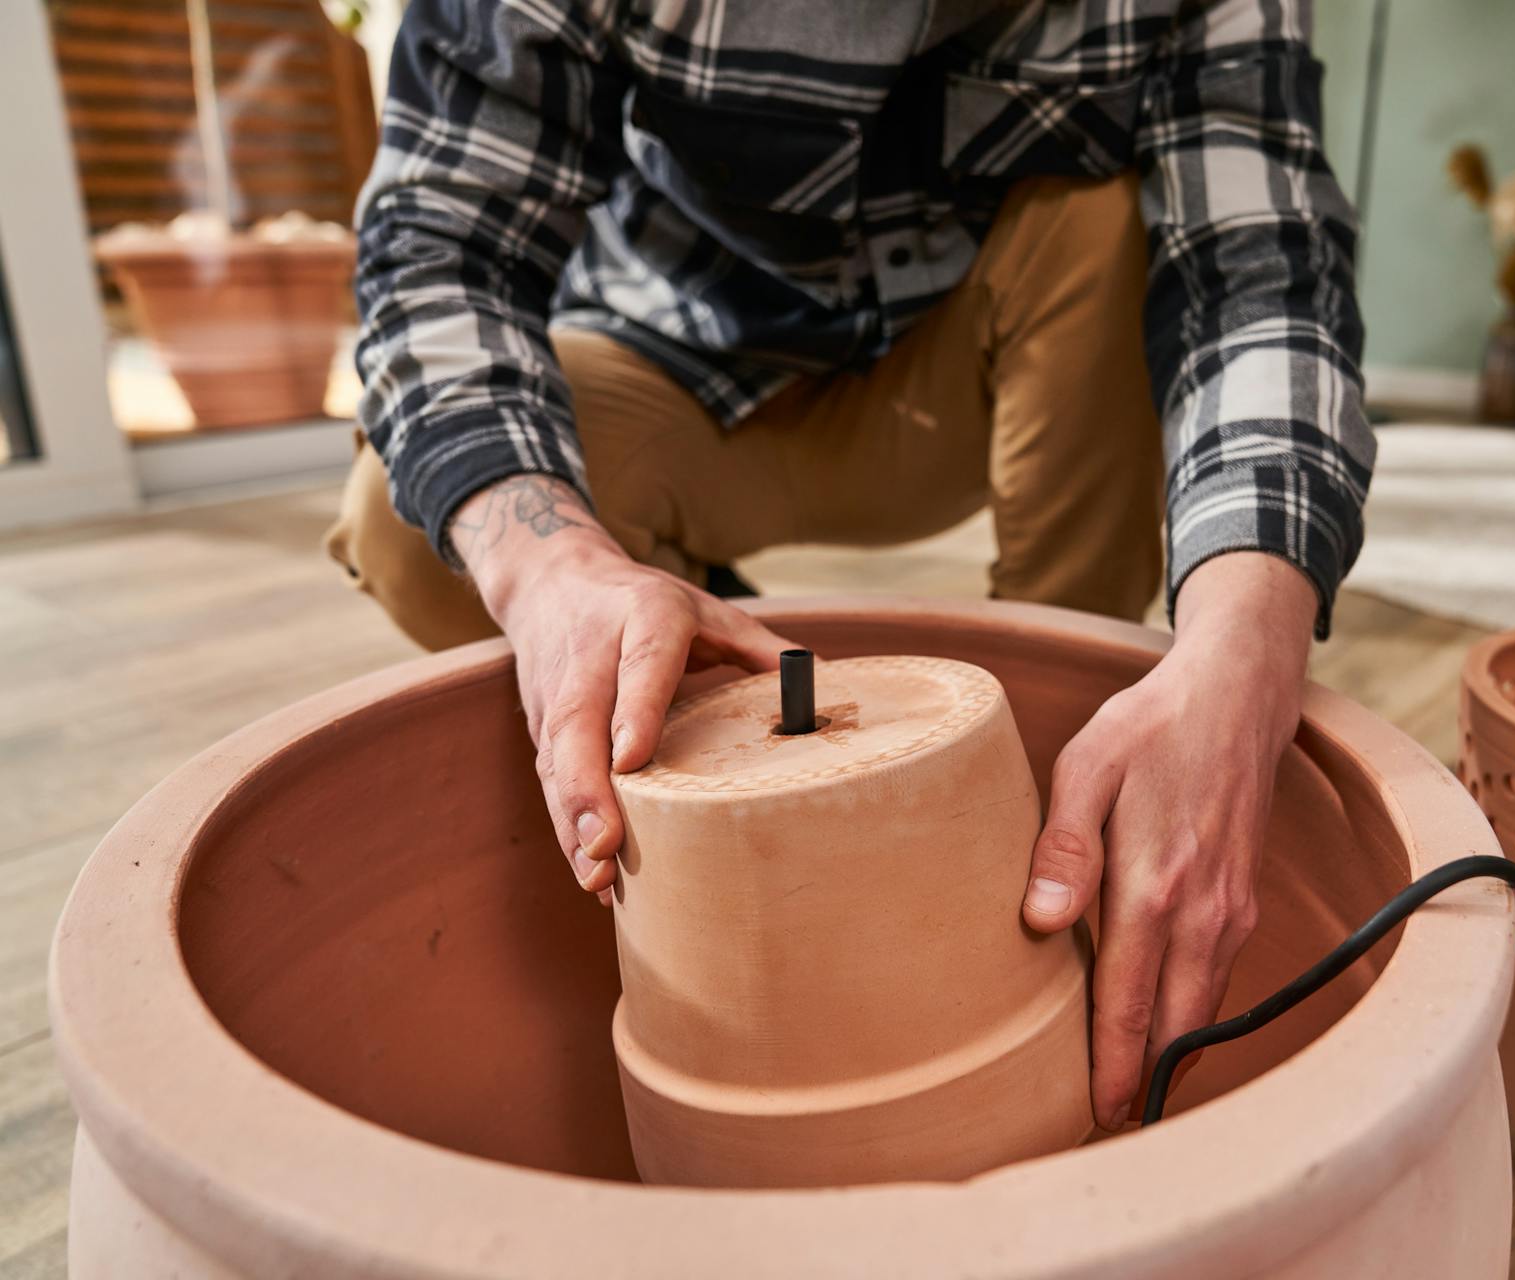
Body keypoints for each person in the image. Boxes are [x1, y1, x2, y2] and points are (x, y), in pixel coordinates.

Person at [326, 0, 1374, 1134]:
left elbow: (1261, 277)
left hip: (968, 363)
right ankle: (683, 648)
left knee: (1107, 220)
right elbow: (441, 249)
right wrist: (556, 569)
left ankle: (1063, 767)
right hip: (672, 352)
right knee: (408, 520)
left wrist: (1237, 658)